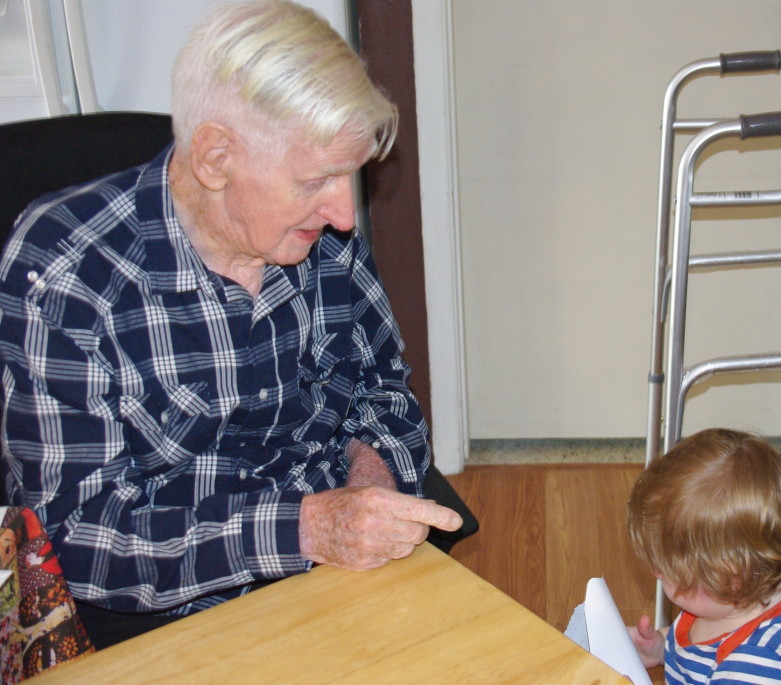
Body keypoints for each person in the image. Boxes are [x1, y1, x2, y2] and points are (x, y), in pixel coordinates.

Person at [0, 0, 461, 647]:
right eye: (317, 179)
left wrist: (371, 481)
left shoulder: (320, 232)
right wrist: (303, 527)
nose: (343, 213)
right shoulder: (66, 271)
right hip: (164, 609)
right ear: (216, 158)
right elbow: (80, 536)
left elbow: (381, 385)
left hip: (335, 569)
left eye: (348, 176)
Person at [626, 429, 781, 684]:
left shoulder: (756, 667)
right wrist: (661, 647)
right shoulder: (745, 590)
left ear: (726, 578)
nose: (656, 572)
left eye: (665, 569)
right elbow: (701, 646)